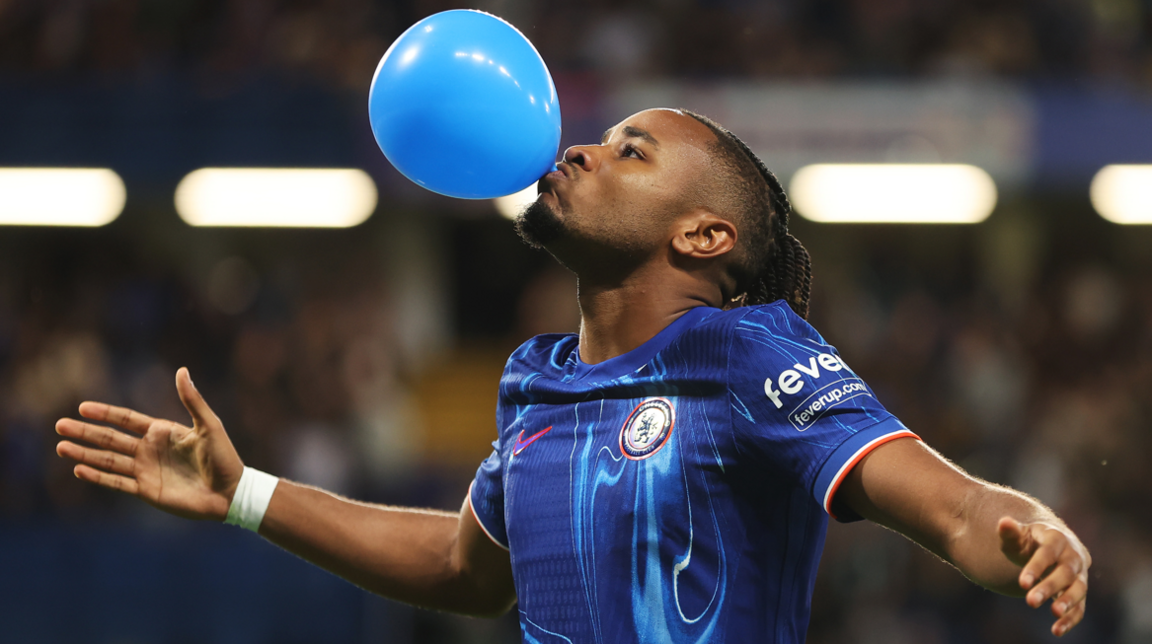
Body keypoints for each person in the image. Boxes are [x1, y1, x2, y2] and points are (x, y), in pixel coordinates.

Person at [55, 108, 1090, 642]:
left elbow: (955, 508)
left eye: (631, 152)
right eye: (602, 136)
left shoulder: (747, 350)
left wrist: (1035, 533)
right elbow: (469, 567)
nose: (583, 150)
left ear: (704, 232)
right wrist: (244, 493)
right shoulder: (535, 380)